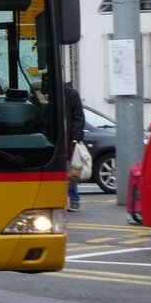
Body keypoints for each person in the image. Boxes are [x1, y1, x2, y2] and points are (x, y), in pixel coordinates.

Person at [63, 79, 86, 212]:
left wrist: (76, 138)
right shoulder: (67, 92)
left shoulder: (69, 93)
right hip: (63, 139)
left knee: (70, 171)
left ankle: (74, 200)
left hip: (68, 140)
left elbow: (79, 117)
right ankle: (72, 200)